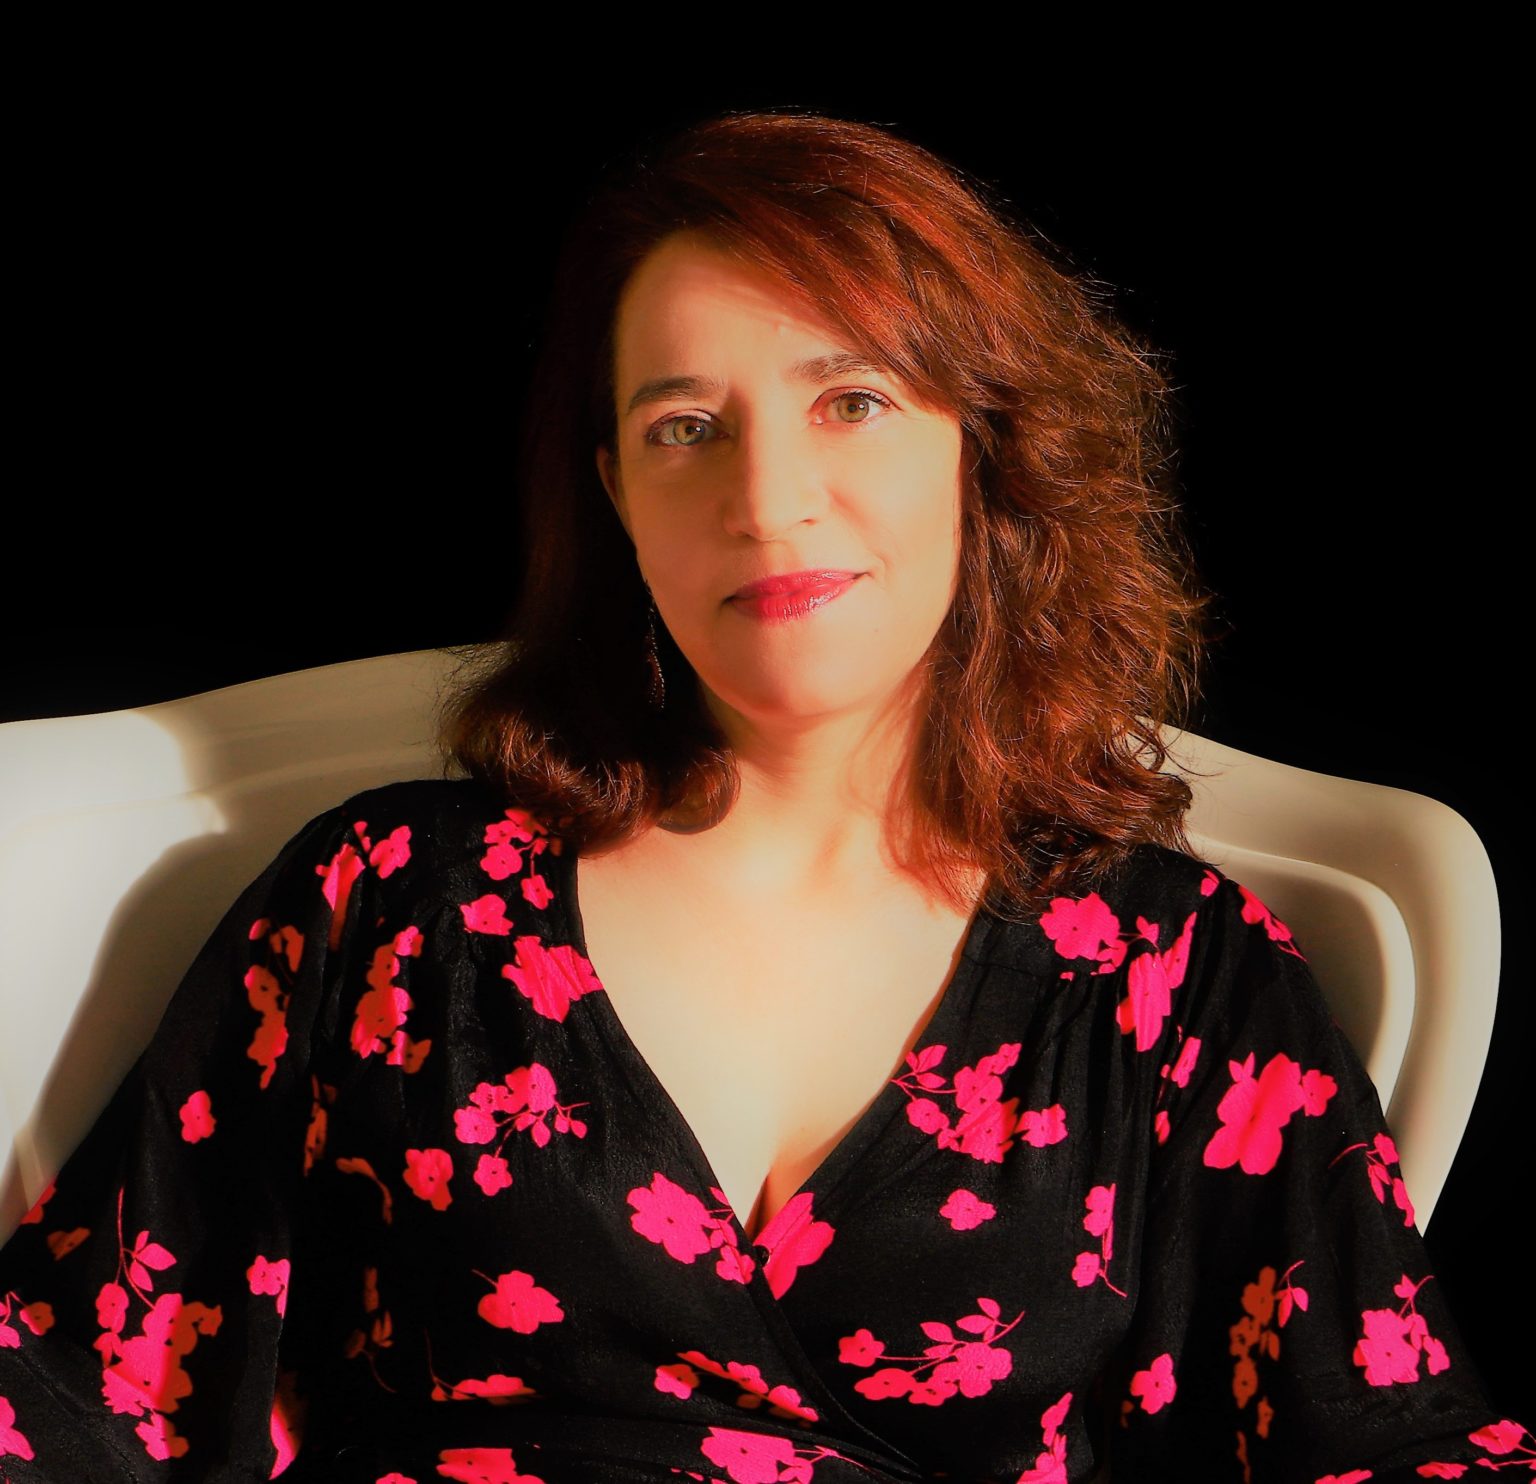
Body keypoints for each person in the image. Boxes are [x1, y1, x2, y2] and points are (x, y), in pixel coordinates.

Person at [0, 109, 1526, 1483]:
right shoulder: (397, 905)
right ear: (617, 491)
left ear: (981, 446)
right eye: (686, 428)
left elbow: (1392, 1446)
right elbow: (80, 1390)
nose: (766, 499)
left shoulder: (1181, 982)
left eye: (850, 401)